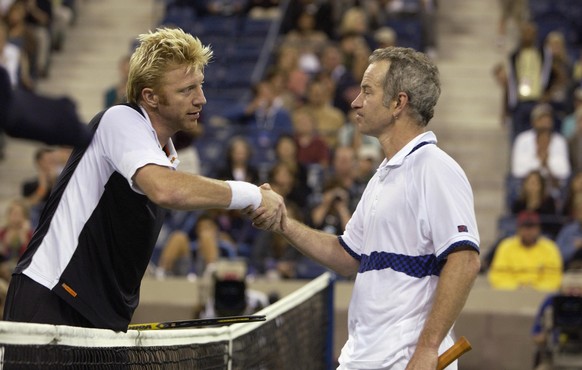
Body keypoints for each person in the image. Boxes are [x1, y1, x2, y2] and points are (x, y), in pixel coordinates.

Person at [2, 27, 285, 332]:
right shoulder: (120, 119)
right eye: (186, 89)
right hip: (53, 300)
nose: (201, 99)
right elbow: (166, 190)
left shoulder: (163, 156)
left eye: (200, 86)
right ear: (150, 97)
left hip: (99, 318)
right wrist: (252, 195)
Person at [249, 47, 481, 370]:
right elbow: (346, 257)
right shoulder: (381, 177)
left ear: (399, 103)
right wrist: (284, 223)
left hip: (404, 360)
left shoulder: (435, 168)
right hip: (364, 358)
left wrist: (428, 348)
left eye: (367, 91)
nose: (356, 101)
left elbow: (465, 260)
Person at [488, 211, 563, 291]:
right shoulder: (506, 246)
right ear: (518, 229)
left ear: (539, 229)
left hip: (541, 295)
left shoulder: (550, 247)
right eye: (525, 227)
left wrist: (536, 289)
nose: (529, 232)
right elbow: (498, 275)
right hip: (510, 295)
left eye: (532, 227)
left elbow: (554, 277)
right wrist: (516, 288)